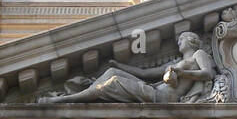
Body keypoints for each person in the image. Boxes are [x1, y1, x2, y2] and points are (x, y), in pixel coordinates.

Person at [43, 32, 215, 103]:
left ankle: (64, 100)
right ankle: (84, 93)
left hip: (163, 97)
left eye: (182, 39)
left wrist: (182, 72)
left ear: (192, 40)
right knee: (112, 72)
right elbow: (145, 73)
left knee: (113, 82)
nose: (178, 42)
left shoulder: (198, 54)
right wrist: (120, 65)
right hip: (153, 90)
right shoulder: (175, 63)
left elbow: (208, 73)